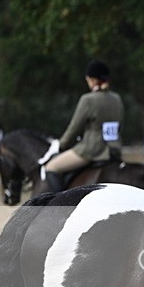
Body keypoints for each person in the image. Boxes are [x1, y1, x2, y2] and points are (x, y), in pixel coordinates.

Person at [41, 60, 124, 191]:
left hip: (91, 150)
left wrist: (61, 145)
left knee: (51, 168)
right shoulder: (116, 98)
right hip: (114, 150)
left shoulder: (88, 99)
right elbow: (120, 126)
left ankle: (62, 203)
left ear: (92, 80)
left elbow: (74, 128)